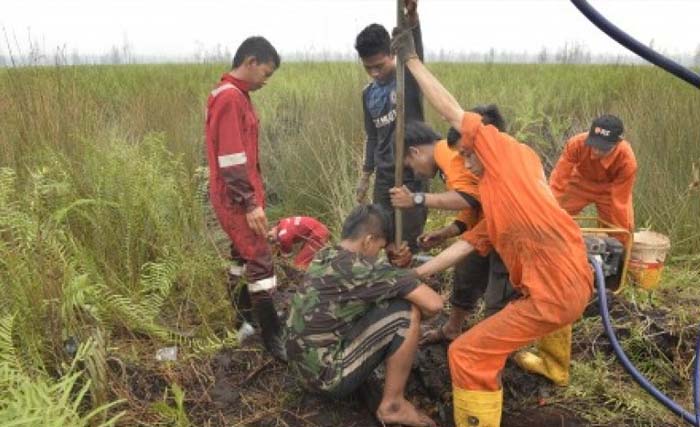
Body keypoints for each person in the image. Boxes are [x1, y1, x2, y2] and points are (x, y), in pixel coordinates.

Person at [391, 25, 593, 426]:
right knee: (502, 330)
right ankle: (555, 367)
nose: (465, 163)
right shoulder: (507, 184)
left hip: (551, 294)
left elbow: (451, 110)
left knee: (467, 354)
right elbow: (467, 244)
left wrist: (411, 58)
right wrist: (415, 273)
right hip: (574, 282)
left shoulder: (503, 151)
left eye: (467, 154)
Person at [285, 204, 442, 427]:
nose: (378, 255)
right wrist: (401, 275)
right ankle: (393, 405)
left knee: (389, 302)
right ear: (368, 240)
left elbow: (369, 290)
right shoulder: (365, 270)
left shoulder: (325, 255)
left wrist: (393, 273)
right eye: (379, 248)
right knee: (406, 313)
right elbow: (435, 304)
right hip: (326, 378)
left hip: (303, 371)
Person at [389, 120, 517, 345]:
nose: (415, 173)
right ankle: (452, 329)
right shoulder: (448, 161)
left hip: (508, 228)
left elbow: (465, 197)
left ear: (415, 151)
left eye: (409, 165)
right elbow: (475, 204)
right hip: (484, 227)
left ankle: (493, 352)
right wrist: (447, 232)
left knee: (498, 295)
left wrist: (417, 199)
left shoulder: (450, 155)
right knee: (465, 273)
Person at [204, 36, 285, 361]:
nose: (266, 81)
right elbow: (232, 159)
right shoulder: (230, 99)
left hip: (238, 195)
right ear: (250, 62)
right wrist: (250, 203)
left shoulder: (236, 95)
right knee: (261, 260)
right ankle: (273, 339)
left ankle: (243, 324)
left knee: (240, 257)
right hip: (235, 198)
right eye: (265, 73)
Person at [354, 0, 428, 253]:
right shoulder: (368, 95)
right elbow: (372, 137)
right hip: (385, 174)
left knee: (407, 240)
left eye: (379, 65)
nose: (374, 72)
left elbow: (415, 52)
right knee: (381, 234)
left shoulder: (408, 77)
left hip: (412, 173)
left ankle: (410, 283)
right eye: (368, 67)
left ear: (393, 54)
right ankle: (387, 282)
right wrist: (366, 173)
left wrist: (412, 18)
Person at [549, 114, 637, 246]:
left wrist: (622, 235)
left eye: (603, 148)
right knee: (552, 216)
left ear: (617, 143)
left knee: (622, 228)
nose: (596, 150)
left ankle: (620, 260)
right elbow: (558, 182)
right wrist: (548, 206)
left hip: (610, 190)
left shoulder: (627, 160)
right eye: (594, 144)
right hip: (580, 183)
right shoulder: (576, 143)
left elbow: (620, 202)